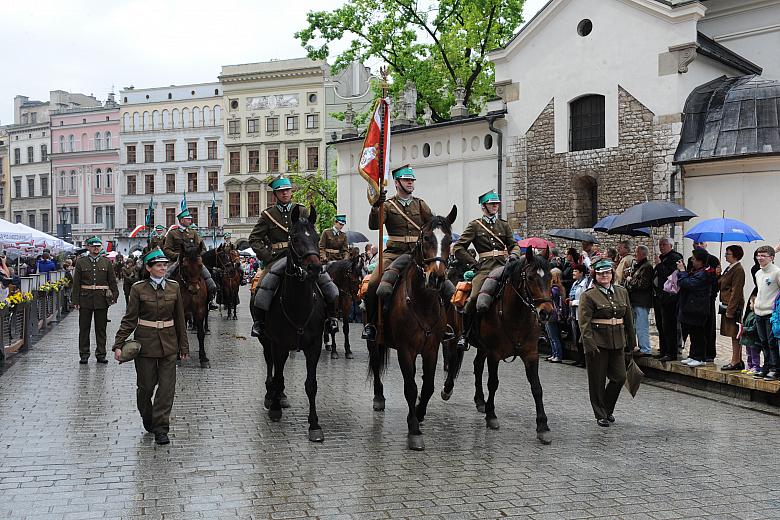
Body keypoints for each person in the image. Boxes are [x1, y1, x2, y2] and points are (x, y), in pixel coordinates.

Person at [112, 248, 189, 445]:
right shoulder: (139, 289)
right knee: (145, 388)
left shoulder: (174, 287)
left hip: (169, 344)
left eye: (165, 265)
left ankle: (161, 428)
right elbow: (130, 319)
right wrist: (118, 344)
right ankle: (148, 417)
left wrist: (184, 346)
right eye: (158, 265)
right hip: (145, 345)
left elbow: (180, 319)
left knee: (166, 390)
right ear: (148, 268)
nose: (163, 268)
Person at [361, 165, 433, 341]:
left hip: (418, 254)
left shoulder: (421, 204)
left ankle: (443, 324)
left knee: (442, 282)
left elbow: (431, 226)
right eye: (406, 180)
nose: (410, 183)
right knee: (374, 284)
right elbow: (374, 226)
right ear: (397, 183)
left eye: (411, 180)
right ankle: (371, 324)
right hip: (394, 254)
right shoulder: (388, 205)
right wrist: (376, 207)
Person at [453, 190, 519, 350]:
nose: (495, 206)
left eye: (496, 203)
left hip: (504, 266)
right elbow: (458, 248)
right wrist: (474, 264)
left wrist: (514, 255)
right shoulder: (475, 225)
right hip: (485, 268)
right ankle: (465, 334)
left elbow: (513, 244)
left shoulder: (504, 224)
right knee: (474, 297)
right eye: (492, 204)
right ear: (484, 206)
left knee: (523, 290)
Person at [578, 259, 636, 427]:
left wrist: (632, 343)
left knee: (619, 377)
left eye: (608, 272)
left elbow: (628, 319)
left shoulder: (621, 292)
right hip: (597, 343)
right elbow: (584, 323)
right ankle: (600, 413)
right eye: (601, 273)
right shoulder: (588, 295)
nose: (605, 276)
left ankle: (607, 408)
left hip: (617, 341)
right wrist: (589, 345)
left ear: (612, 274)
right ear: (595, 275)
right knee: (597, 380)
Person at [72, 236, 119, 364]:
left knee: (101, 329)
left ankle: (101, 354)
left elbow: (112, 280)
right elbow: (76, 283)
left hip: (101, 300)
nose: (96, 248)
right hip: (85, 299)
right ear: (88, 247)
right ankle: (84, 354)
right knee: (84, 329)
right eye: (93, 246)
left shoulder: (106, 262)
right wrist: (75, 300)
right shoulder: (81, 262)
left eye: (98, 246)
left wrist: (115, 295)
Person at [163, 208, 217, 310]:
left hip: (193, 260)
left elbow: (202, 248)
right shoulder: (172, 233)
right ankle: (164, 300)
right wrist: (177, 256)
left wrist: (197, 256)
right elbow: (167, 249)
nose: (190, 221)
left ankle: (210, 300)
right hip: (178, 260)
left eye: (190, 219)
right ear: (181, 220)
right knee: (166, 276)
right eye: (188, 219)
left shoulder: (193, 233)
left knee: (209, 279)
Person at [677, 249, 713, 367]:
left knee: (698, 333)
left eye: (694, 259)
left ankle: (700, 357)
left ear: (700, 261)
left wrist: (682, 271)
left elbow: (687, 283)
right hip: (691, 307)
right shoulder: (696, 271)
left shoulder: (703, 274)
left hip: (698, 308)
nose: (692, 261)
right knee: (692, 332)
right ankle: (693, 355)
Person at [752, 245, 780, 380]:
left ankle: (775, 368)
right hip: (758, 312)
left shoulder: (776, 272)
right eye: (759, 255)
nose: (760, 258)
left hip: (771, 313)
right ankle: (766, 366)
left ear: (772, 258)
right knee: (763, 342)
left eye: (764, 256)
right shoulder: (758, 273)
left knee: (772, 342)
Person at [653, 237, 683, 361]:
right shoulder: (662, 257)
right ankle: (663, 349)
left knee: (669, 325)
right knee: (660, 325)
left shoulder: (675, 257)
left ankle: (671, 352)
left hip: (670, 297)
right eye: (660, 244)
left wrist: (659, 264)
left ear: (670, 245)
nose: (661, 246)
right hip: (659, 296)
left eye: (664, 244)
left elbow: (669, 275)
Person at [718, 245, 746, 371]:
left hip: (733, 306)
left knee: (735, 333)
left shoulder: (738, 269)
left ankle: (735, 361)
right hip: (726, 303)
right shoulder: (730, 268)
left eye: (728, 253)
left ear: (735, 255)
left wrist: (731, 310)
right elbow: (722, 283)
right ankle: (737, 359)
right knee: (732, 333)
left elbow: (736, 291)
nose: (725, 256)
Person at [625, 245, 653, 356]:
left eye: (637, 253)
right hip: (635, 300)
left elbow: (643, 284)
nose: (635, 255)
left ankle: (645, 348)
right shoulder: (639, 266)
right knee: (635, 326)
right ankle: (637, 346)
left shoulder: (647, 267)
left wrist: (631, 279)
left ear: (642, 254)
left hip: (642, 300)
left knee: (642, 326)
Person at [567, 263, 589, 367]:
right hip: (573, 313)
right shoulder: (575, 283)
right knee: (576, 337)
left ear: (581, 273)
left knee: (581, 337)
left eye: (576, 271)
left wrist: (574, 302)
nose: (573, 273)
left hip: (580, 313)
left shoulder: (584, 284)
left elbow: (585, 299)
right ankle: (579, 358)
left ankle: (584, 360)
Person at [545, 268, 567, 363]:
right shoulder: (558, 288)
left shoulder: (555, 288)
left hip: (553, 313)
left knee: (554, 336)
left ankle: (558, 355)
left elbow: (550, 296)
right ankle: (554, 353)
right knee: (551, 336)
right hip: (552, 313)